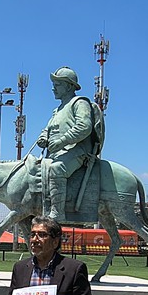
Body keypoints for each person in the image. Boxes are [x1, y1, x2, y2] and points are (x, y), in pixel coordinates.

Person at [36, 66, 95, 222]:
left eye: (57, 85)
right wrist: (43, 137)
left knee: (57, 169)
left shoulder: (79, 102)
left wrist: (62, 141)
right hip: (55, 152)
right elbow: (48, 128)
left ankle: (57, 212)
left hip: (77, 151)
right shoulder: (57, 110)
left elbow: (84, 126)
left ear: (69, 86)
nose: (53, 88)